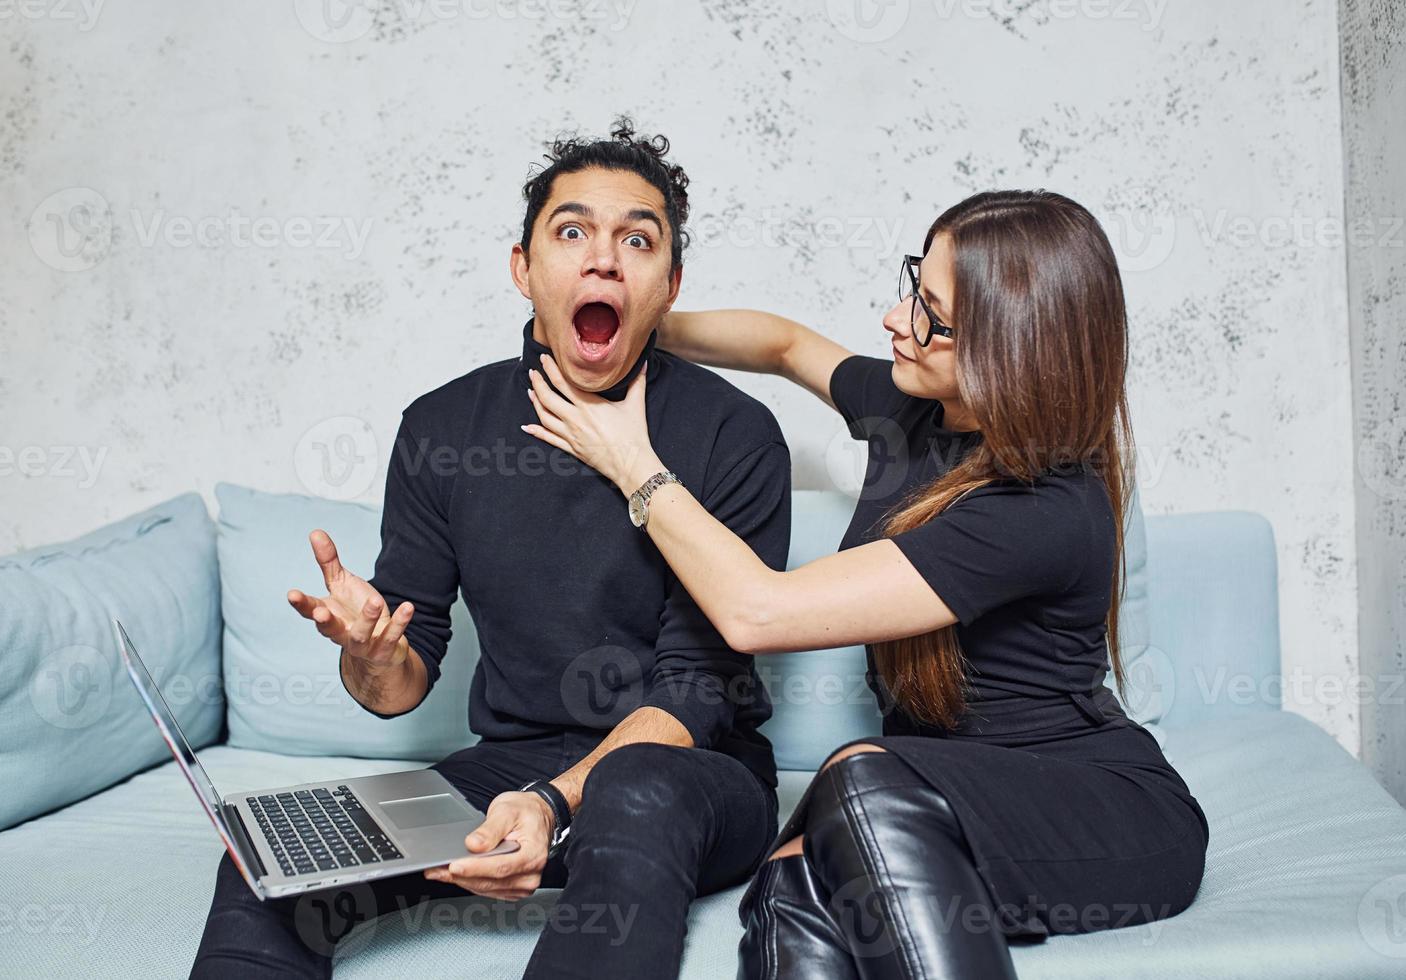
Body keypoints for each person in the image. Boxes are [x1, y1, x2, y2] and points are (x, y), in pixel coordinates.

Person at [521, 189, 1210, 979]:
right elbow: (782, 345)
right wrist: (636, 321)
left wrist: (632, 462)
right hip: (928, 803)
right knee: (787, 885)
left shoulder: (1044, 509)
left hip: (1102, 813)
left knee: (857, 773)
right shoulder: (918, 410)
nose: (895, 319)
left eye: (933, 318)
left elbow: (755, 612)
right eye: (916, 285)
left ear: (1011, 353)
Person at [189, 120, 790, 979]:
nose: (604, 259)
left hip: (689, 773)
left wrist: (554, 802)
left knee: (637, 793)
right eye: (573, 231)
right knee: (264, 856)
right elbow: (400, 680)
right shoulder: (443, 429)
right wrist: (371, 653)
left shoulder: (735, 434)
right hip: (506, 767)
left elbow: (695, 694)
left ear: (670, 285)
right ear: (524, 270)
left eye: (638, 239)